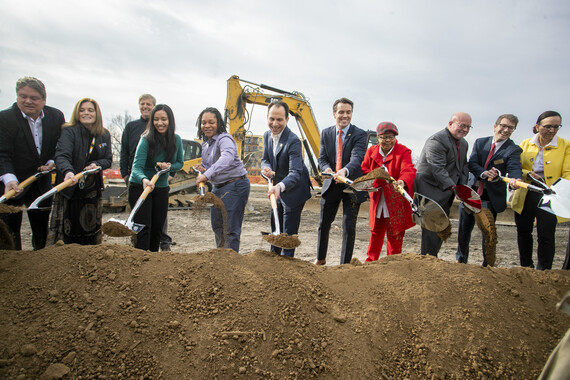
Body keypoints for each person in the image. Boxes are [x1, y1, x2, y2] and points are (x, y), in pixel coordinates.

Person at [0, 77, 64, 250]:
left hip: (40, 181)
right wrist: (9, 179)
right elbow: (2, 154)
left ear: (44, 99)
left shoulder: (55, 116)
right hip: (13, 182)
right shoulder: (5, 119)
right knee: (10, 230)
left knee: (40, 228)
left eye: (34, 98)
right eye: (23, 96)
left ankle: (39, 263)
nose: (28, 101)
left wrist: (52, 162)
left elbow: (60, 145)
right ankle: (13, 264)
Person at [456, 114, 522, 265]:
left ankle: (488, 264)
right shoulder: (480, 143)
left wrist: (515, 179)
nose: (505, 130)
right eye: (503, 126)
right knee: (464, 230)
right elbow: (472, 163)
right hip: (471, 193)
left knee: (488, 233)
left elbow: (514, 168)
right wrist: (484, 173)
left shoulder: (513, 150)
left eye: (510, 128)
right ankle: (461, 260)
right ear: (495, 126)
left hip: (489, 197)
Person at [511, 111, 570, 270]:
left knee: (546, 235)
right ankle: (525, 267)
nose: (552, 130)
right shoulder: (525, 143)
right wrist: (527, 174)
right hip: (526, 192)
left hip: (550, 196)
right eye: (548, 126)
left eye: (557, 127)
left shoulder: (565, 145)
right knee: (523, 232)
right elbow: (517, 167)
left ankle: (544, 270)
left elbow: (568, 173)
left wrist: (556, 188)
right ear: (537, 126)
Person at [50, 98, 112, 245]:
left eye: (90, 110)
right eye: (82, 110)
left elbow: (108, 160)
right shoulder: (69, 130)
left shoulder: (104, 134)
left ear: (97, 114)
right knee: (70, 227)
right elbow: (62, 156)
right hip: (71, 185)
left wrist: (96, 164)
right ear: (77, 113)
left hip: (91, 191)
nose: (86, 113)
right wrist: (68, 172)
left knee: (90, 227)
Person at [315, 98, 367, 265]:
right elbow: (322, 157)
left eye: (348, 112)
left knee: (348, 226)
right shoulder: (326, 133)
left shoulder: (360, 134)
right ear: (334, 114)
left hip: (351, 185)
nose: (345, 116)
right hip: (331, 184)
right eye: (341, 112)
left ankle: (344, 265)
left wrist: (345, 170)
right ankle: (320, 258)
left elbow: (357, 157)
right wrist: (327, 169)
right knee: (324, 224)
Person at [119, 94, 173, 251]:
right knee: (141, 223)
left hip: (158, 182)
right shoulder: (131, 127)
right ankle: (140, 253)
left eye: (148, 104)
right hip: (137, 178)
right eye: (142, 104)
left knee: (158, 222)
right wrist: (125, 174)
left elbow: (171, 156)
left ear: (154, 106)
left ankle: (160, 247)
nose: (145, 106)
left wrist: (171, 174)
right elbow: (125, 151)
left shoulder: (164, 131)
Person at [414, 112, 471, 257]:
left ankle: (431, 258)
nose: (465, 130)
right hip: (430, 189)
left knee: (440, 227)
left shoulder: (464, 143)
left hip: (446, 191)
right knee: (431, 228)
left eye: (468, 127)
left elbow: (463, 167)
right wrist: (454, 187)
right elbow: (437, 168)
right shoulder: (437, 140)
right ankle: (427, 260)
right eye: (462, 125)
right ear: (450, 124)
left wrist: (462, 187)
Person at [195, 107, 250, 253]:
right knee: (217, 225)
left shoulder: (224, 139)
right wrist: (203, 169)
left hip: (235, 184)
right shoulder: (206, 143)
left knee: (230, 228)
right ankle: (221, 258)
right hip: (218, 186)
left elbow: (227, 157)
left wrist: (206, 175)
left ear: (218, 123)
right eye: (203, 122)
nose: (207, 126)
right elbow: (210, 165)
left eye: (211, 122)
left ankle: (231, 262)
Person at [128, 104, 183, 252]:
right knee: (144, 229)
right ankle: (140, 261)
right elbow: (136, 167)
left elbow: (179, 163)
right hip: (141, 186)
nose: (160, 123)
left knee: (157, 228)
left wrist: (169, 167)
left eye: (164, 119)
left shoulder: (176, 140)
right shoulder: (146, 139)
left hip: (161, 187)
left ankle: (152, 261)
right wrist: (144, 180)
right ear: (152, 121)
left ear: (170, 120)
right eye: (156, 119)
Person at [260, 101, 312, 257]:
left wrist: (279, 186)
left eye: (279, 120)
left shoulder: (293, 141)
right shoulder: (267, 135)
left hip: (294, 190)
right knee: (275, 225)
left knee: (288, 232)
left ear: (287, 120)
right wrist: (266, 168)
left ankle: (287, 262)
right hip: (277, 189)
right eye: (271, 119)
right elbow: (265, 159)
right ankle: (273, 260)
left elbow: (295, 172)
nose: (275, 124)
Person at [360, 122, 416, 261]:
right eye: (384, 137)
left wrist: (402, 181)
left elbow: (408, 169)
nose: (388, 140)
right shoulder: (371, 151)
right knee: (376, 230)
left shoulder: (403, 151)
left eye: (391, 137)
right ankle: (371, 261)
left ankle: (393, 262)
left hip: (396, 198)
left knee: (395, 231)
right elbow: (365, 168)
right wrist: (374, 177)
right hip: (378, 196)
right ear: (378, 138)